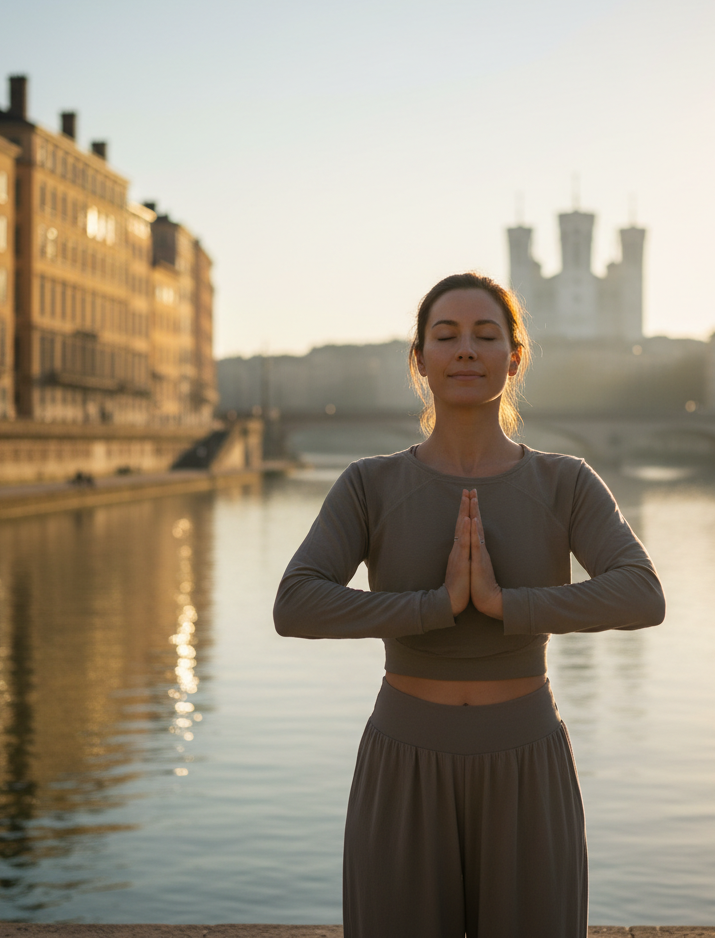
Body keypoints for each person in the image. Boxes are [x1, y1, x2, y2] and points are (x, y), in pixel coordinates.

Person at [274, 272, 665, 938]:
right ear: (419, 359)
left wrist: (506, 604)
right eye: (445, 336)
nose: (465, 350)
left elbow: (642, 593)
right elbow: (296, 604)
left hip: (527, 763)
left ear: (514, 359)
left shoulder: (565, 481)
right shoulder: (369, 484)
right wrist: (433, 607)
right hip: (404, 763)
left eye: (486, 336)